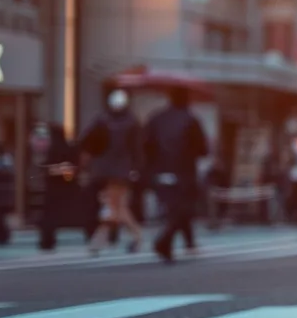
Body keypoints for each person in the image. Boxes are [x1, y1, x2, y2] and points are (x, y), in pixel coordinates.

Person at [143, 87, 209, 262]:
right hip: (183, 172)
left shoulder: (155, 118)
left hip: (158, 170)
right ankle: (164, 241)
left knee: (175, 208)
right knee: (182, 209)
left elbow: (145, 145)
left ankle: (188, 242)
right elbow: (203, 149)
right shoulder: (191, 120)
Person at [80, 88, 144, 254]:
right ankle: (134, 236)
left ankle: (99, 240)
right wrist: (137, 168)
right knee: (118, 206)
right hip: (122, 170)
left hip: (103, 168)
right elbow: (137, 149)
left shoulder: (101, 120)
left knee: (114, 206)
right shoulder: (132, 122)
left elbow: (86, 141)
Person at [34, 123, 82, 252]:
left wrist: (54, 170)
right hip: (66, 187)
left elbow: (47, 168)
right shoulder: (69, 148)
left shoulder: (53, 150)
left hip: (53, 187)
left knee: (49, 216)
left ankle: (47, 241)